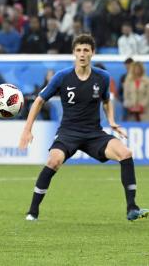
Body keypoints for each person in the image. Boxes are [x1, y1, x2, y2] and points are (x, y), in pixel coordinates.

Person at [19, 34, 148, 222]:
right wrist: (27, 129)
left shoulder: (102, 77)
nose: (82, 54)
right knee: (53, 161)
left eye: (86, 50)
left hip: (94, 133)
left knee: (126, 153)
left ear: (92, 53)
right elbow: (39, 100)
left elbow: (106, 100)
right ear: (73, 53)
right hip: (68, 132)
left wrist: (111, 121)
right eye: (78, 50)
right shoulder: (62, 77)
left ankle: (132, 208)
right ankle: (32, 211)